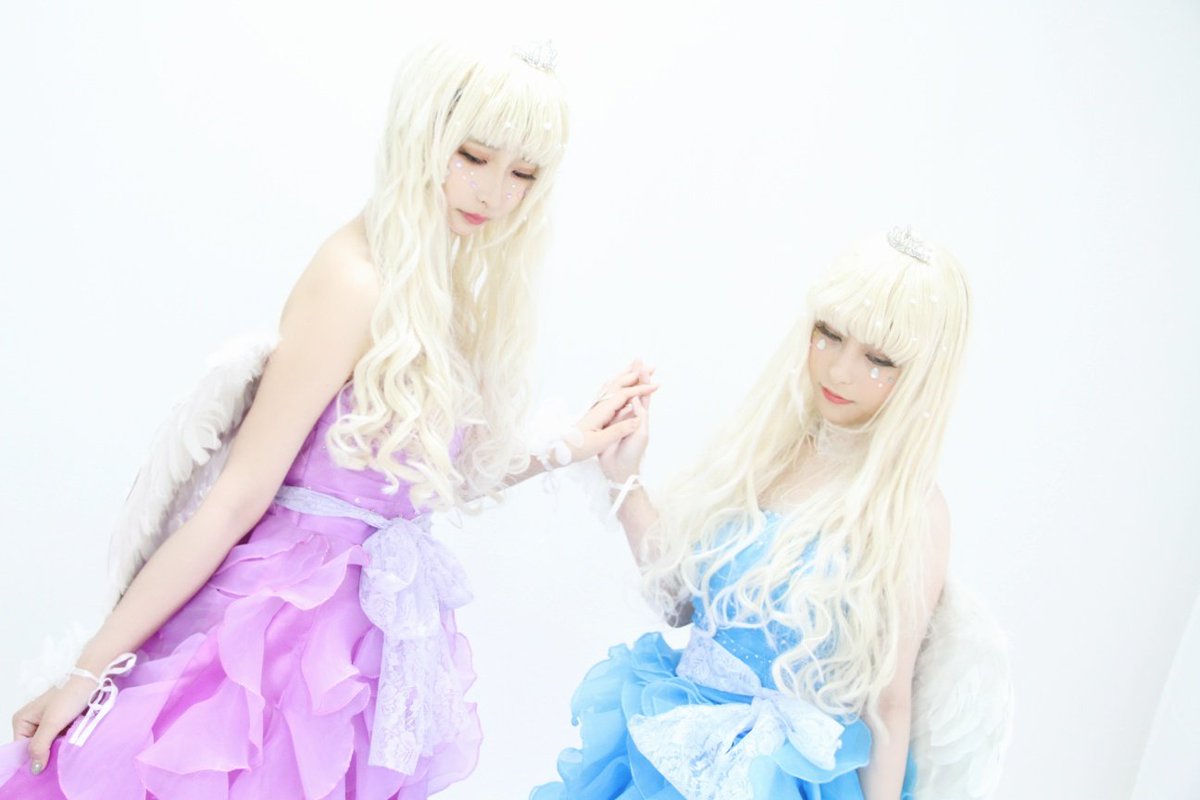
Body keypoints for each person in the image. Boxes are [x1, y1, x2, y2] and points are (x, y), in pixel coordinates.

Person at [2, 40, 652, 800]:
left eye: (523, 174)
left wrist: (572, 444)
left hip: (362, 647)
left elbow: (408, 488)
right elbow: (236, 499)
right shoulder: (355, 280)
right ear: (423, 134)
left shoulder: (430, 284)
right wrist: (87, 672)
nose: (494, 192)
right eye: (474, 156)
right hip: (282, 640)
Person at [534, 228, 972, 799]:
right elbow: (680, 605)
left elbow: (888, 703)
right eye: (830, 334)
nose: (839, 370)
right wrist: (625, 479)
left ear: (921, 375)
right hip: (678, 750)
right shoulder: (765, 451)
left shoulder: (911, 511)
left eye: (878, 358)